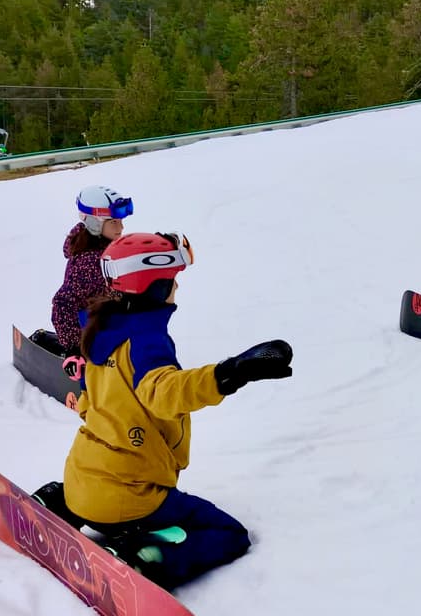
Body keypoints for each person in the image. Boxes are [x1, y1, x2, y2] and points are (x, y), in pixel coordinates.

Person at [34, 232, 294, 590]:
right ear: (156, 287)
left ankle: (56, 502)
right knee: (228, 533)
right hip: (129, 500)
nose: (176, 290)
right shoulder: (146, 340)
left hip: (80, 483)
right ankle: (146, 555)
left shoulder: (100, 331)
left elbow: (89, 403)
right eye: (173, 282)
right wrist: (230, 373)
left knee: (98, 491)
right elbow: (164, 392)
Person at [45, 185, 132, 361]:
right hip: (94, 333)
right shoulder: (89, 262)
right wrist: (75, 349)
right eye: (114, 222)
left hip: (108, 323)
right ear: (94, 223)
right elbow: (63, 303)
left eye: (121, 221)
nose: (121, 227)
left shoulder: (106, 248)